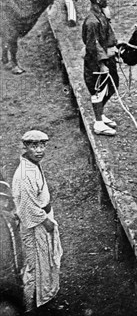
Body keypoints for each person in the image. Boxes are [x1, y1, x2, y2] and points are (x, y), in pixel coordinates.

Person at [11, 130, 63, 313]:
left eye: (42, 145)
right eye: (34, 146)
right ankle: (28, 307)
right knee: (34, 266)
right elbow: (27, 206)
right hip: (35, 223)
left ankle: (44, 296)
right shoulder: (25, 174)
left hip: (42, 215)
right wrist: (46, 222)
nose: (39, 150)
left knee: (46, 260)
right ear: (25, 147)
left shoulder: (33, 165)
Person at [82, 0, 120, 136]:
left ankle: (100, 114)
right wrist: (102, 64)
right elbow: (93, 45)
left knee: (112, 85)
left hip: (107, 57)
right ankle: (98, 123)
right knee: (99, 90)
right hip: (96, 62)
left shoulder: (101, 15)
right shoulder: (92, 21)